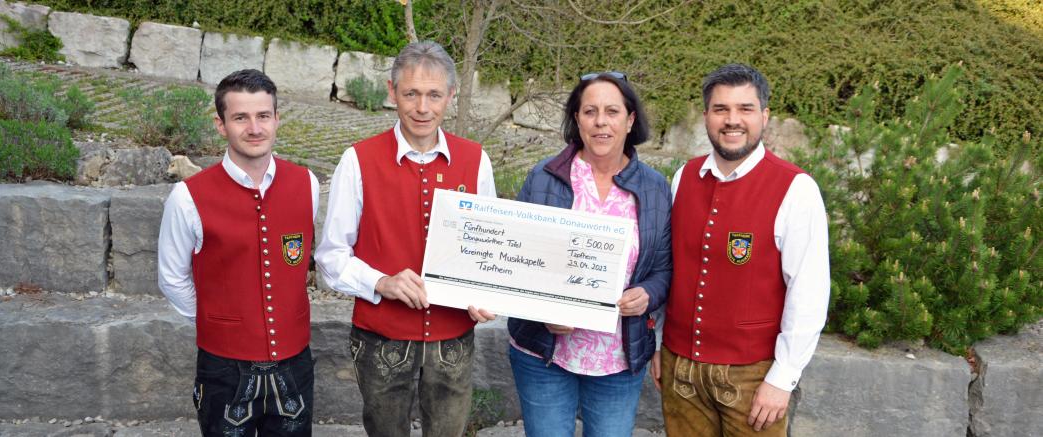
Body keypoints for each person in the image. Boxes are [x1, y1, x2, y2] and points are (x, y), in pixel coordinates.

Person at [314, 40, 497, 437]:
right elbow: (331, 257)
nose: (422, 107)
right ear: (392, 91)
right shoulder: (358, 160)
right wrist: (381, 282)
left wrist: (487, 294)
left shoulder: (476, 159)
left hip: (452, 340)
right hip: (383, 339)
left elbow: (487, 249)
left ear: (451, 96)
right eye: (411, 93)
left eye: (434, 95)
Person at [651, 63, 830, 436]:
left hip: (753, 376)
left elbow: (809, 292)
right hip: (679, 365)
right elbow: (673, 268)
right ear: (706, 117)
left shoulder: (796, 189)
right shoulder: (685, 176)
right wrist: (658, 344)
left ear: (764, 116)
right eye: (721, 109)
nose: (733, 120)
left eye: (745, 109)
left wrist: (783, 378)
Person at [508, 71, 673, 437]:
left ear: (630, 120)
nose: (601, 122)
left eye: (612, 111)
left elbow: (663, 270)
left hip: (618, 358)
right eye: (590, 111)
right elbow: (515, 263)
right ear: (577, 120)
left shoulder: (655, 188)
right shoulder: (543, 178)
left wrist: (647, 294)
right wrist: (542, 310)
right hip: (544, 354)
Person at [157, 69, 320, 436]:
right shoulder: (188, 197)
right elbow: (171, 277)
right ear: (221, 124)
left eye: (263, 116)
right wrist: (219, 321)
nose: (254, 128)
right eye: (240, 118)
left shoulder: (306, 183)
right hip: (224, 368)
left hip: (294, 362)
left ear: (277, 119)